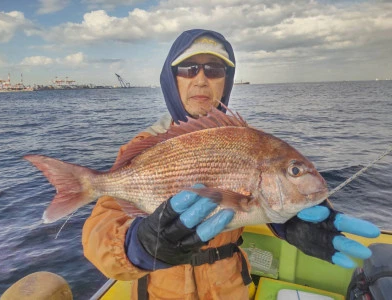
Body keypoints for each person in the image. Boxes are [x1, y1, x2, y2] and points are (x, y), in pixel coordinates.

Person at [82, 29, 380, 299]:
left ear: (227, 79)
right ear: (171, 79)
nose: (201, 79)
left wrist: (288, 221)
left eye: (214, 69)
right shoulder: (146, 146)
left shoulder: (249, 142)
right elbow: (98, 237)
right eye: (188, 68)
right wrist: (140, 245)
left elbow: (254, 204)